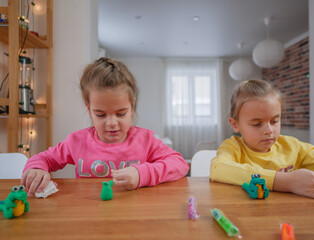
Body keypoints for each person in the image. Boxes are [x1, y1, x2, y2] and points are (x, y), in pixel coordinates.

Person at [21, 58, 189, 196]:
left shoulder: (145, 141)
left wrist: (142, 174)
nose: (111, 123)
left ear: (132, 106)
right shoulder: (76, 141)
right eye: (101, 115)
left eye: (121, 113)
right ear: (89, 109)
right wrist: (36, 169)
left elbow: (180, 164)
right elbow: (43, 158)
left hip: (134, 217)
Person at [210, 78, 314, 199]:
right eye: (257, 124)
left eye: (275, 121)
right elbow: (218, 169)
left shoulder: (293, 146)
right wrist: (287, 182)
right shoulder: (233, 147)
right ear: (235, 124)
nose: (269, 130)